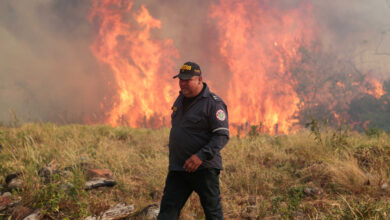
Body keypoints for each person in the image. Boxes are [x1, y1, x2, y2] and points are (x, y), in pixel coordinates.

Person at [157, 61, 229, 220]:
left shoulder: (213, 103)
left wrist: (200, 156)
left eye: (187, 80)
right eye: (181, 79)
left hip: (204, 169)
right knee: (166, 213)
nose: (183, 83)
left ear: (199, 79)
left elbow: (222, 136)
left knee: (213, 213)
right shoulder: (180, 99)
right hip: (179, 168)